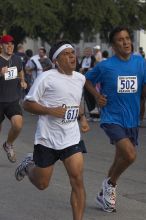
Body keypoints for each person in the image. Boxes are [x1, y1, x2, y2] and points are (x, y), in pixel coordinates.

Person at [15, 40, 90, 220]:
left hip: (71, 138)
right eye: (67, 54)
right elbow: (27, 103)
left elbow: (76, 102)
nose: (72, 56)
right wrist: (50, 110)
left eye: (73, 52)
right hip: (47, 139)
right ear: (56, 60)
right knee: (42, 184)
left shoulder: (80, 78)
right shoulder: (46, 77)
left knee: (77, 181)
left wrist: (82, 117)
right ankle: (28, 164)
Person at [85, 26, 146, 212]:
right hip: (111, 117)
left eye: (127, 38)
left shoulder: (140, 62)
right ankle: (110, 185)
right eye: (120, 39)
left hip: (132, 118)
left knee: (121, 157)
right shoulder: (105, 66)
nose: (126, 42)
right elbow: (86, 80)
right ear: (113, 45)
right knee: (129, 155)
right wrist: (97, 96)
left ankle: (104, 195)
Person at [0, 35, 27, 163]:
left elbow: (20, 70)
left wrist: (22, 80)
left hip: (12, 99)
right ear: (1, 46)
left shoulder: (17, 59)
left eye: (12, 44)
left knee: (18, 124)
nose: (10, 46)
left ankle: (8, 144)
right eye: (7, 44)